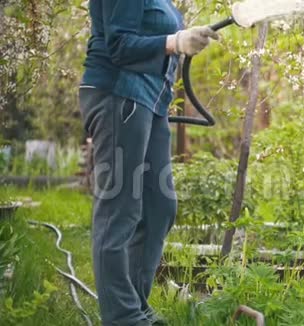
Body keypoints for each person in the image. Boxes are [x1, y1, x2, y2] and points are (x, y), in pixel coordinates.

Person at [78, 1, 219, 325]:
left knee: (159, 208)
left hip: (151, 101)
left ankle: (135, 305)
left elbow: (156, 35)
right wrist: (174, 42)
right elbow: (118, 45)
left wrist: (185, 38)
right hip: (118, 94)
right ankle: (122, 317)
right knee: (120, 209)